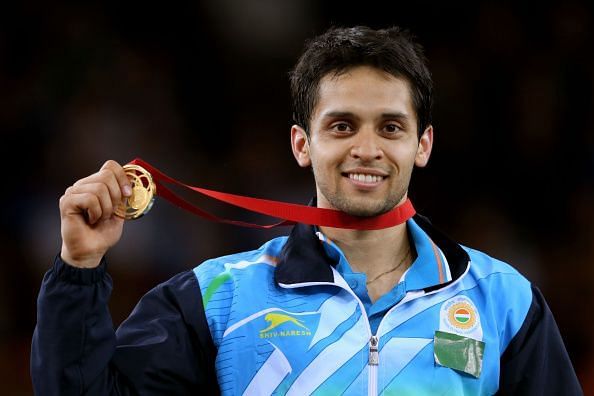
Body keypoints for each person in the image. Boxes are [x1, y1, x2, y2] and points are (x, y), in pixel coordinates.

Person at [31, 25, 582, 395]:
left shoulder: (503, 300)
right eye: (342, 126)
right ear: (301, 144)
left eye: (390, 127)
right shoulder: (218, 299)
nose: (366, 148)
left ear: (423, 144)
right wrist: (78, 269)